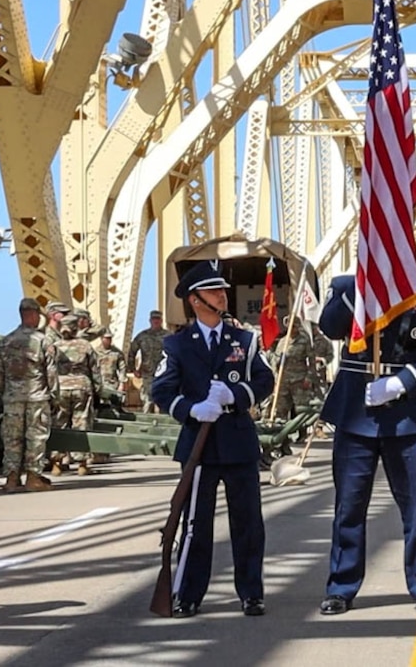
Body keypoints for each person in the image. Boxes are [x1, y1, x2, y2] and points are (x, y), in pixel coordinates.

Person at [317, 274, 416, 617]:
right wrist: (356, 292)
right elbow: (330, 326)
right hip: (355, 413)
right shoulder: (350, 286)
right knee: (349, 507)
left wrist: (403, 381)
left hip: (405, 413)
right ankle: (341, 587)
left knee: (415, 510)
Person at [151, 260, 275, 618]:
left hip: (237, 443)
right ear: (195, 300)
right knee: (193, 525)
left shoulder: (244, 340)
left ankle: (252, 592)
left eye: (222, 290)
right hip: (199, 447)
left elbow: (263, 382)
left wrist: (235, 396)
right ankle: (188, 594)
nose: (222, 295)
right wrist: (191, 410)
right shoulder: (176, 345)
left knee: (248, 523)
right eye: (213, 291)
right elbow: (162, 389)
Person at [0, 298, 59, 493]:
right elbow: (51, 374)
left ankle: (11, 479)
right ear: (33, 315)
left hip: (12, 398)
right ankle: (33, 478)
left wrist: (6, 392)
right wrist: (54, 396)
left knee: (12, 438)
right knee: (36, 438)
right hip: (36, 398)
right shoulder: (43, 341)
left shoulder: (6, 342)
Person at [51, 314, 103, 476]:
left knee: (60, 424)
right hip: (82, 387)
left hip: (61, 387)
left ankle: (57, 463)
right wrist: (98, 391)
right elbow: (94, 370)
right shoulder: (85, 345)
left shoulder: (55, 346)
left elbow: (49, 369)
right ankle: (82, 464)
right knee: (81, 424)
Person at [129, 310, 169, 413]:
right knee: (147, 400)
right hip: (147, 373)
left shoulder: (168, 336)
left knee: (162, 400)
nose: (156, 321)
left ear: (161, 321)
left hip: (163, 373)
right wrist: (133, 369)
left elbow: (177, 353)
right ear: (150, 320)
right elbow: (132, 351)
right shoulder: (142, 336)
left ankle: (162, 425)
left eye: (158, 319)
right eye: (154, 319)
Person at [95, 329, 127, 393]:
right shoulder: (95, 352)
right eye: (106, 338)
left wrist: (121, 384)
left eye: (110, 338)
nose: (109, 340)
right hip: (98, 383)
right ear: (101, 338)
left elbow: (122, 369)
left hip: (112, 383)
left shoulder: (117, 353)